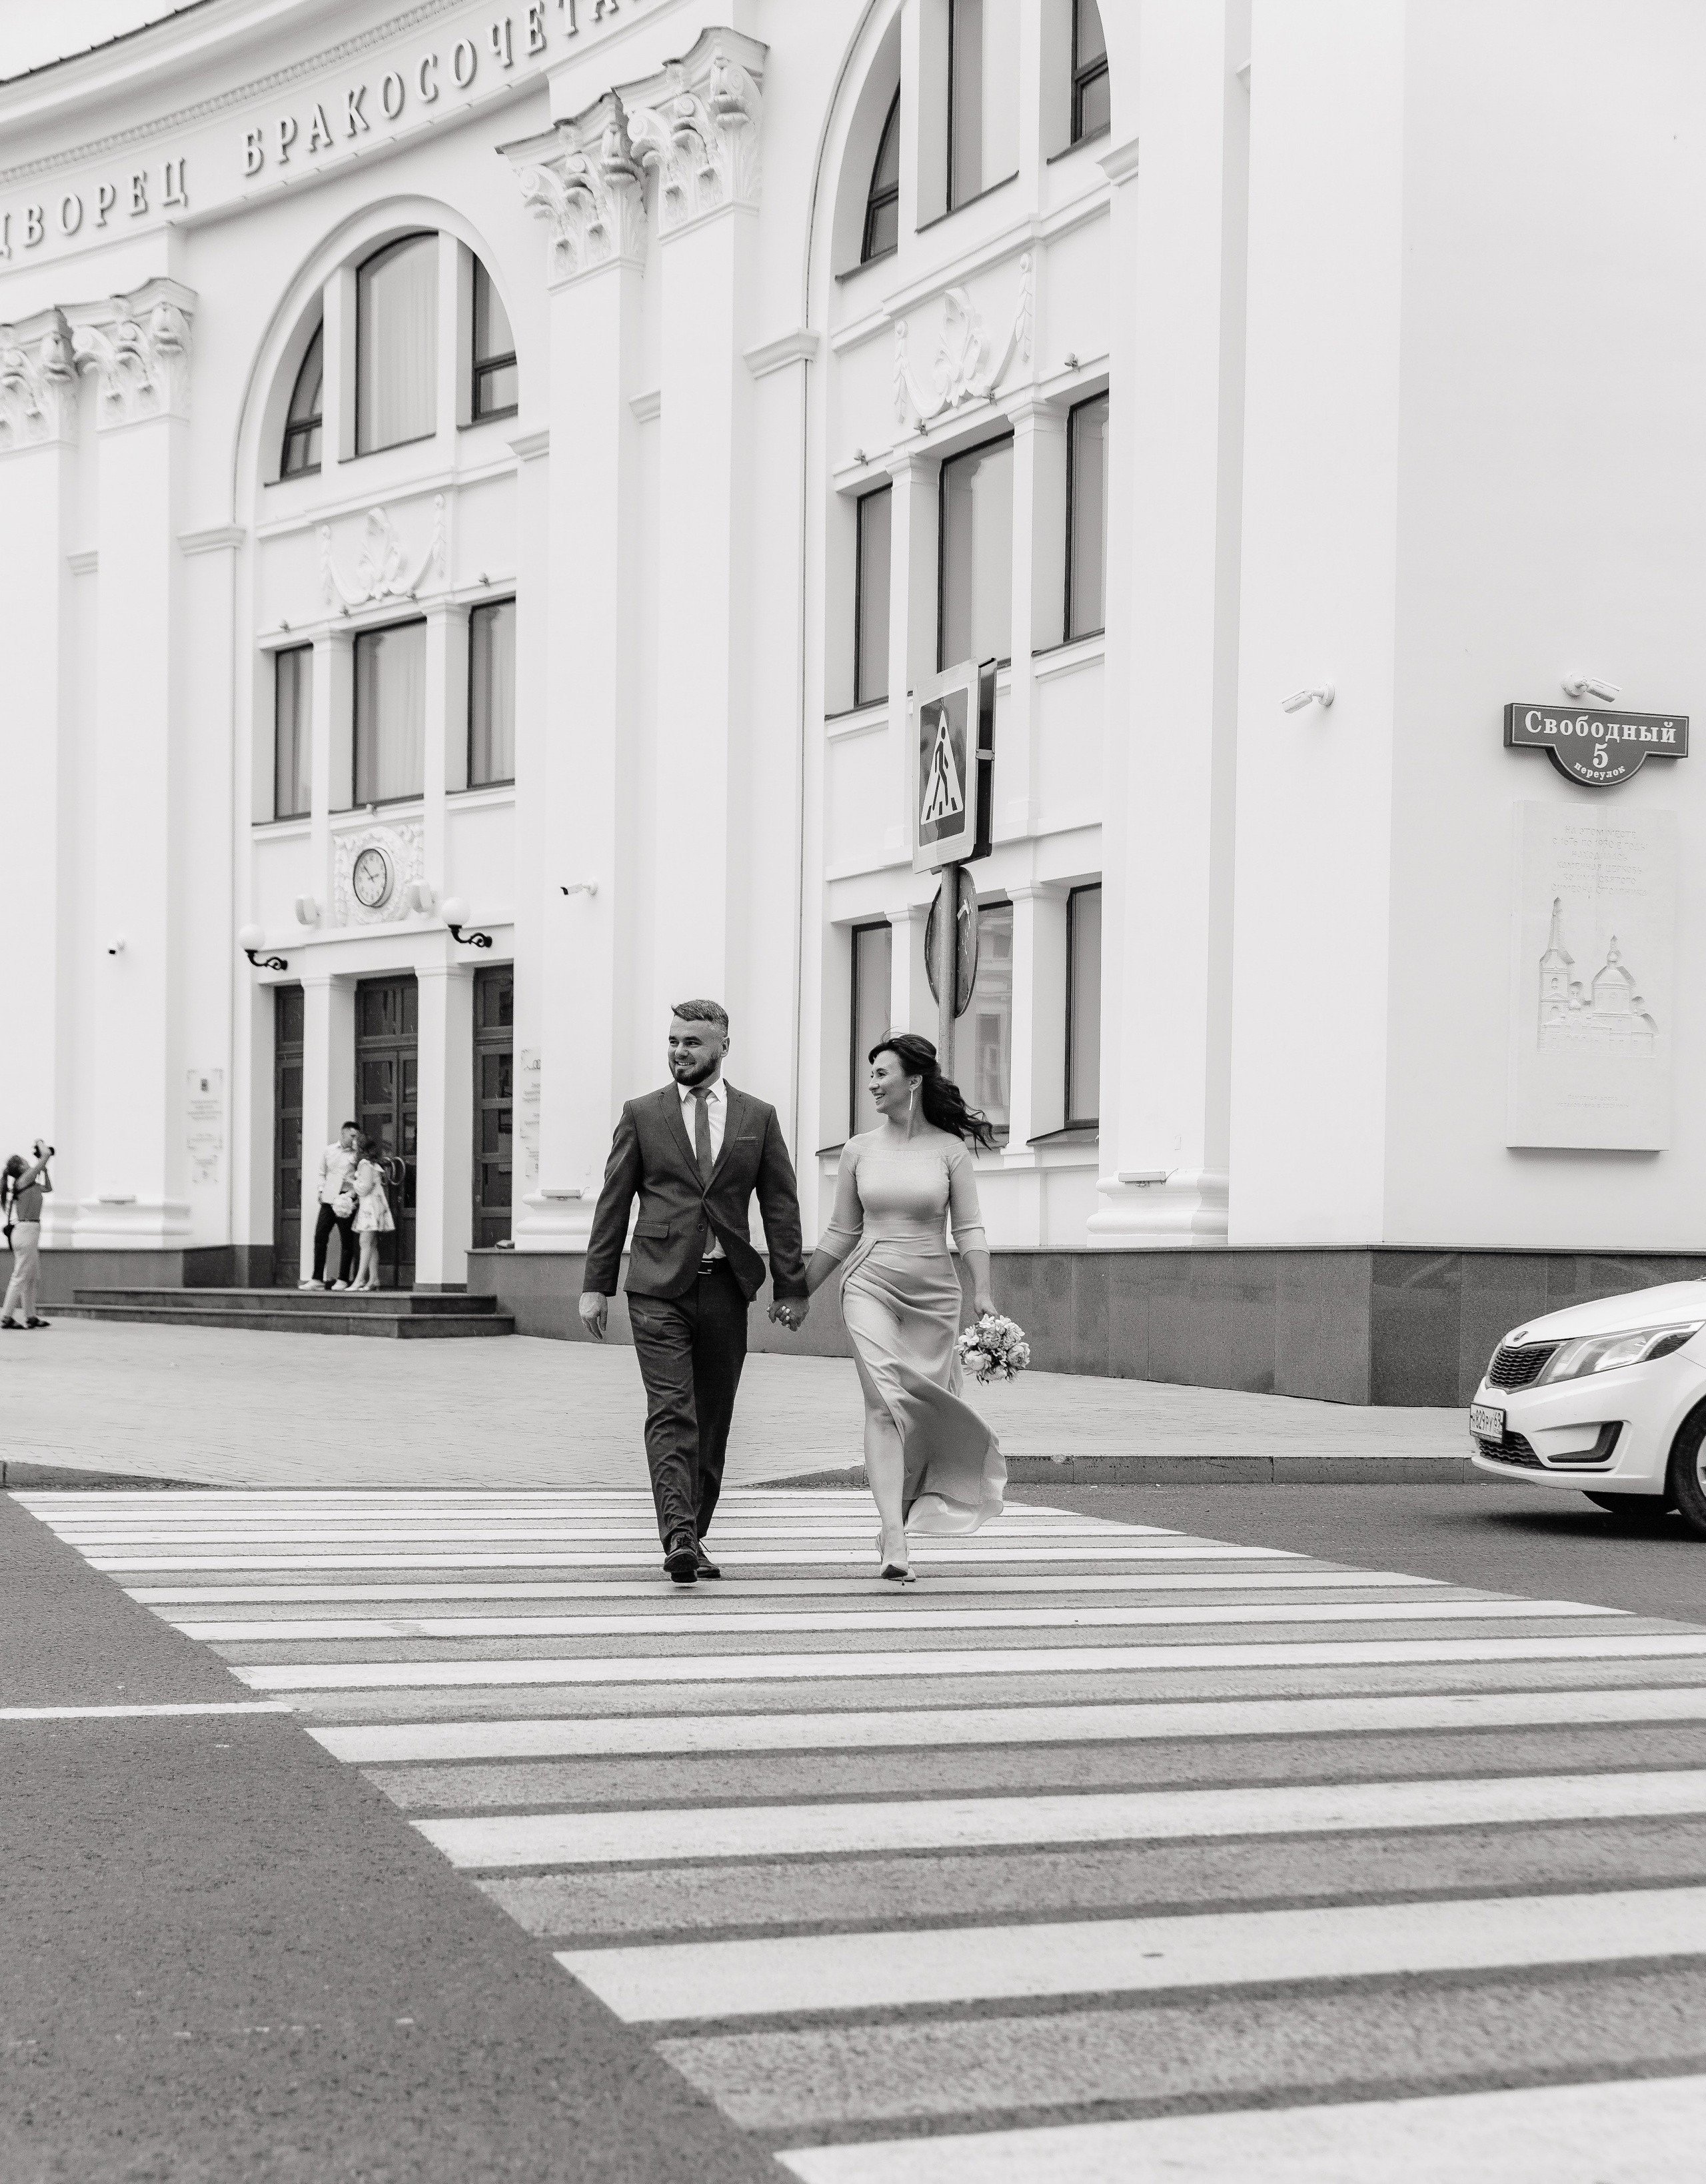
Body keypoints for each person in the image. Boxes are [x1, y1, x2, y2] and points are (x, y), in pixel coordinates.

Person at [580, 1000, 810, 1586]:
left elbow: (780, 1204)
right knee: (672, 1411)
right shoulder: (643, 1113)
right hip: (657, 1287)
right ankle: (678, 1534)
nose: (679, 1051)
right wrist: (595, 1285)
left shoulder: (757, 1116)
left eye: (693, 1042)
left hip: (727, 1286)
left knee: (713, 1417)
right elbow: (614, 1201)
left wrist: (792, 1285)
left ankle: (696, 1531)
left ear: (722, 1047)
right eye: (674, 1040)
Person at [802, 1034, 1006, 1580]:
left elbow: (969, 1228)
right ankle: (895, 1535)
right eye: (870, 1074)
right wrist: (799, 1291)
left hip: (935, 1297)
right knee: (883, 1403)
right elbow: (841, 1231)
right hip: (869, 1284)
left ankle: (913, 1505)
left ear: (912, 1080)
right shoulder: (857, 1149)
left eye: (881, 1073)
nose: (871, 1083)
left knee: (920, 1409)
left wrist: (982, 1292)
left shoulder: (948, 1150)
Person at [1, 1142, 54, 1330]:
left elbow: (48, 1188)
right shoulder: (23, 1180)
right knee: (20, 1276)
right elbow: (46, 1154)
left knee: (32, 1275)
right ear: (21, 1168)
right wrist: (41, 1145)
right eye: (25, 1162)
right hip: (26, 1232)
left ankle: (30, 1316)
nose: (29, 1164)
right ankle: (6, 1317)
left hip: (29, 1232)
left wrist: (45, 1171)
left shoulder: (30, 1183)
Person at [303, 1121, 361, 1290]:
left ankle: (343, 1278)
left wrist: (352, 1196)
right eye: (352, 1136)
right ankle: (317, 1279)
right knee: (320, 1236)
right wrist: (321, 1191)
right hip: (329, 1197)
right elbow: (322, 1173)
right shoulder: (329, 1151)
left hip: (346, 1198)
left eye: (357, 1136)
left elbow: (361, 1177)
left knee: (346, 1239)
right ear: (343, 1134)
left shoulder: (357, 1154)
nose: (355, 1139)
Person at [348, 1137, 394, 1291]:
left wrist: (351, 1182)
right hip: (375, 1206)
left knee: (365, 1243)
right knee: (372, 1245)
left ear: (360, 1147)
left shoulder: (364, 1164)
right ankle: (374, 1279)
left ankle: (359, 1279)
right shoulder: (372, 1163)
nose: (353, 1143)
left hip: (370, 1208)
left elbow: (365, 1187)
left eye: (355, 1142)